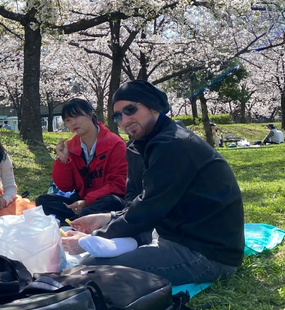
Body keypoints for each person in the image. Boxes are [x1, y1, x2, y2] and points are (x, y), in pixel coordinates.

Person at [62, 80, 244, 286]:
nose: (124, 119)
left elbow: (149, 209)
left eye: (130, 110)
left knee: (88, 272)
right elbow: (139, 201)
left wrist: (93, 238)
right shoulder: (144, 145)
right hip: (176, 236)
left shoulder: (172, 144)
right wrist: (109, 217)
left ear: (152, 106)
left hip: (206, 254)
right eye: (118, 115)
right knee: (90, 263)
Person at [35, 98, 128, 222]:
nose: (73, 123)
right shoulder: (71, 146)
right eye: (68, 120)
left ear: (90, 114)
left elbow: (118, 184)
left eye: (77, 116)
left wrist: (87, 201)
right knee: (43, 201)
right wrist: (63, 161)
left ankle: (77, 220)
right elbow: (65, 187)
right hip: (81, 201)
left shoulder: (114, 143)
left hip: (106, 200)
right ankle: (80, 220)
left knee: (110, 201)